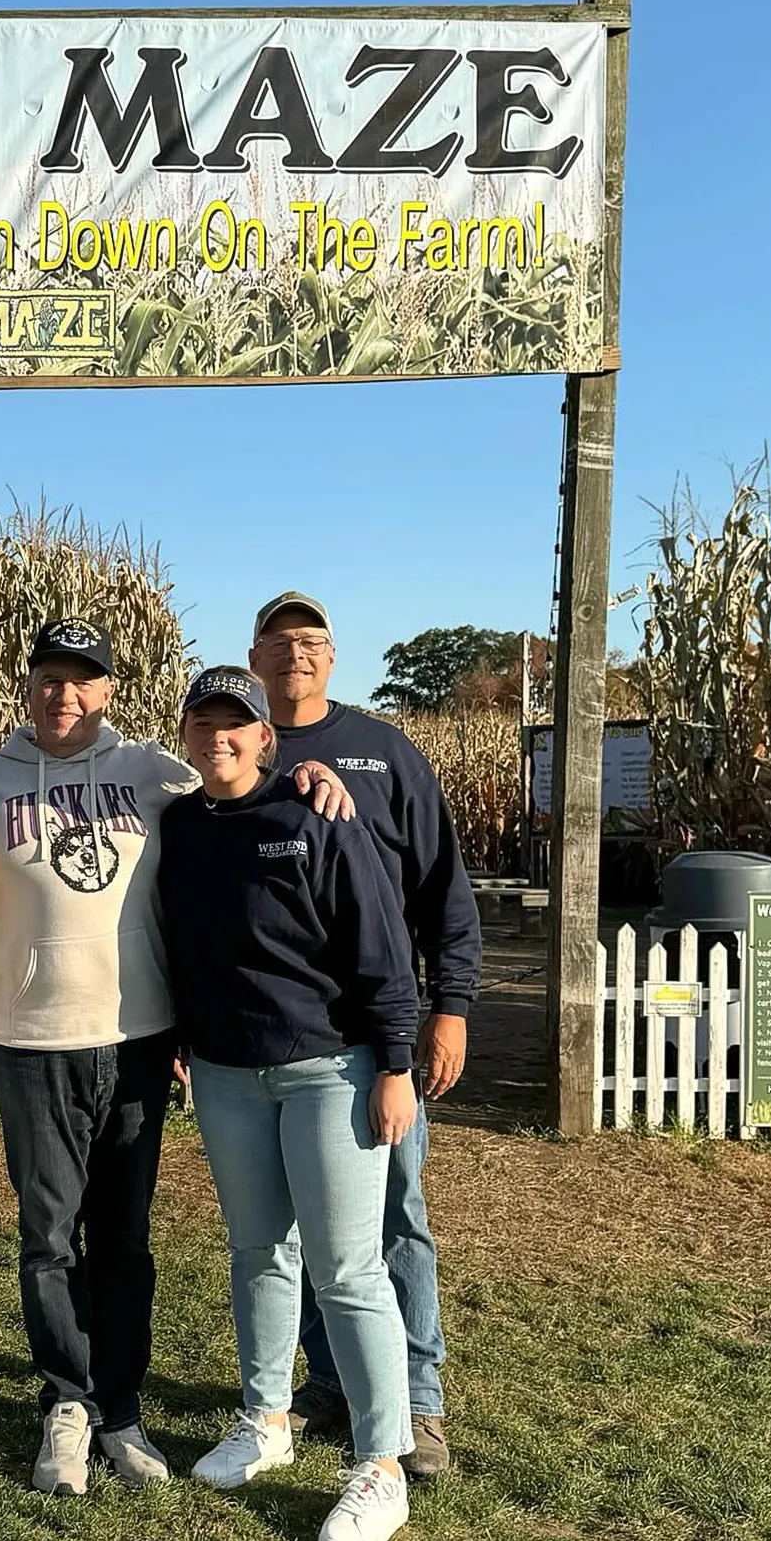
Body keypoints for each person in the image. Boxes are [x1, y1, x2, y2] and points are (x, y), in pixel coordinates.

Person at [0, 619, 355, 1498]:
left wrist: (308, 773)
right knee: (47, 1237)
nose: (65, 694)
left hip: (136, 1039)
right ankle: (65, 1405)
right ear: (26, 684)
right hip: (29, 1043)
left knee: (124, 1238)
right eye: (50, 676)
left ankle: (119, 1409)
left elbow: (238, 784)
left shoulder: (151, 771)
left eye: (84, 679)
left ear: (109, 691)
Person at [159, 666, 420, 1541]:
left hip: (329, 1069)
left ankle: (381, 1464)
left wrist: (395, 1065)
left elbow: (380, 943)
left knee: (346, 1269)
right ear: (184, 734)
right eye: (202, 723)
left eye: (235, 724)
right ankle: (265, 1420)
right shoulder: (179, 824)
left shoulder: (316, 814)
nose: (218, 738)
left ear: (265, 737)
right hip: (226, 1075)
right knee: (258, 1251)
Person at [250, 590, 481, 1478]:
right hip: (279, 1036)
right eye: (278, 642)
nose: (294, 655)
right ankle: (331, 1381)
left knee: (394, 1216)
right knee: (303, 1222)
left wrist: (449, 1007)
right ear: (255, 656)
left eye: (310, 641)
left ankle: (417, 1399)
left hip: (373, 1032)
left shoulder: (384, 752)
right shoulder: (233, 753)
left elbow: (441, 889)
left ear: (332, 655)